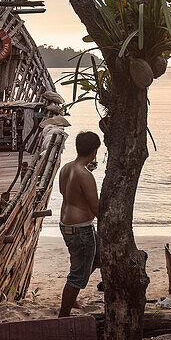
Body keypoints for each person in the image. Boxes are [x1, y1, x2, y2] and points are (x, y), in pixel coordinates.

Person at [58, 131, 101, 317]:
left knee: (96, 259)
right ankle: (63, 315)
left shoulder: (66, 168)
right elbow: (96, 208)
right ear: (94, 152)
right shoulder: (85, 175)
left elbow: (64, 193)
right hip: (80, 230)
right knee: (77, 275)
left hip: (66, 224)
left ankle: (72, 295)